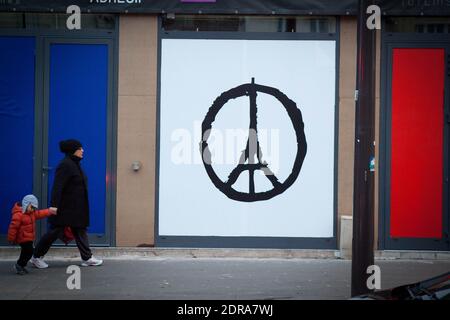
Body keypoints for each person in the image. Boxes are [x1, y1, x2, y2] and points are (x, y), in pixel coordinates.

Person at [31, 139, 103, 268]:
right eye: (80, 148)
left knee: (80, 230)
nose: (83, 150)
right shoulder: (65, 165)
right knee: (54, 232)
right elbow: (57, 187)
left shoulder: (75, 164)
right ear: (73, 150)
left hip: (76, 209)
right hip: (65, 208)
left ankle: (87, 258)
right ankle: (36, 256)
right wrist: (54, 206)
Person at [7, 195, 57, 275]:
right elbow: (13, 227)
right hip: (23, 238)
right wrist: (11, 238)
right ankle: (19, 265)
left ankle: (21, 265)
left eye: (34, 208)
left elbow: (40, 213)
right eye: (32, 207)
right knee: (28, 251)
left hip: (29, 238)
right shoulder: (18, 215)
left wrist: (49, 211)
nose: (33, 210)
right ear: (26, 204)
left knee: (28, 252)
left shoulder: (31, 213)